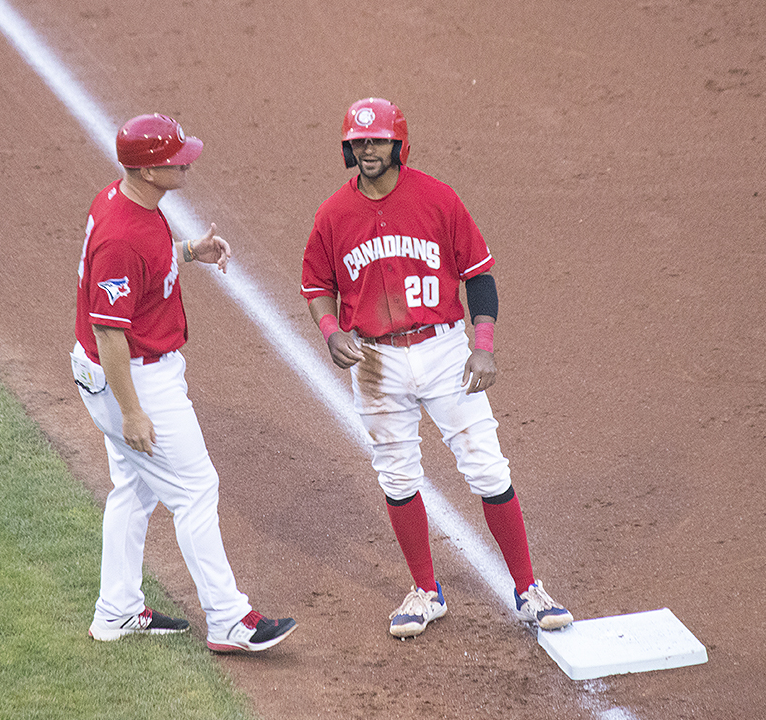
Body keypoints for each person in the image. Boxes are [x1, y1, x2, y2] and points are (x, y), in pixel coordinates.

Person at [300, 98, 574, 638]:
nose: (367, 150)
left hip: (445, 350)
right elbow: (316, 285)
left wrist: (485, 343)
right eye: (358, 142)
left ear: (398, 145)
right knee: (397, 474)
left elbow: (479, 275)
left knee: (487, 468)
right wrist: (331, 335)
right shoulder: (333, 213)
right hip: (376, 361)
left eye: (376, 141)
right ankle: (426, 592)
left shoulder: (437, 198)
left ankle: (528, 590)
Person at [72, 112, 296, 652]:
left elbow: (145, 269)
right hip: (133, 378)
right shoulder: (122, 236)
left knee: (135, 491)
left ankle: (117, 611)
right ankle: (228, 620)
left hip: (124, 372)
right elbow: (109, 332)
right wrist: (131, 412)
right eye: (175, 158)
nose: (186, 161)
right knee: (197, 490)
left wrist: (190, 252)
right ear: (148, 170)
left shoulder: (127, 201)